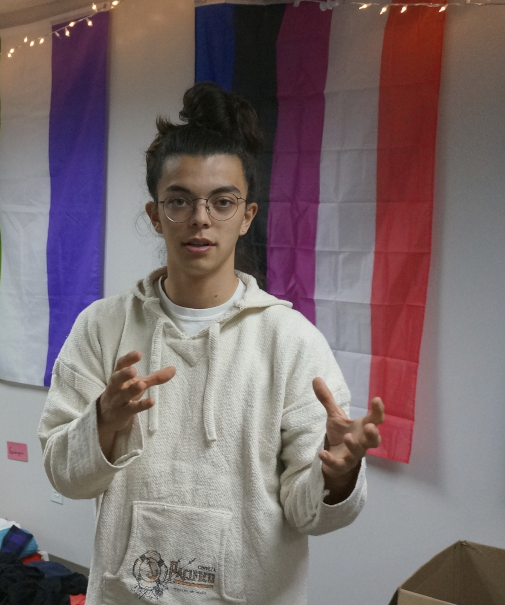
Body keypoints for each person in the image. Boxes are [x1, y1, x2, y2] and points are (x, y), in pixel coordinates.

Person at [38, 82, 385, 604]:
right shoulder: (103, 328)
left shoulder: (290, 342)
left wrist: (339, 474)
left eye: (222, 202)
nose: (201, 218)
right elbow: (63, 476)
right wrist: (103, 423)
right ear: (156, 214)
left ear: (247, 215)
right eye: (179, 200)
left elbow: (307, 511)